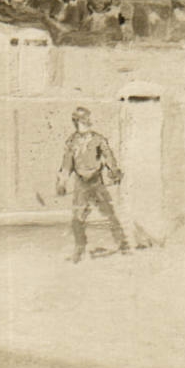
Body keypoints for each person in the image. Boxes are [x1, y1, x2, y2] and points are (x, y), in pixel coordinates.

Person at [56, 106, 130, 262]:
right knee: (78, 217)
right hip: (81, 184)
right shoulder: (72, 142)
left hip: (97, 182)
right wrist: (62, 182)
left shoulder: (98, 139)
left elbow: (108, 156)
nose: (87, 121)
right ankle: (79, 249)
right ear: (76, 121)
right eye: (83, 119)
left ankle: (123, 244)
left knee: (109, 213)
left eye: (87, 118)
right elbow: (66, 164)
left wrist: (114, 171)